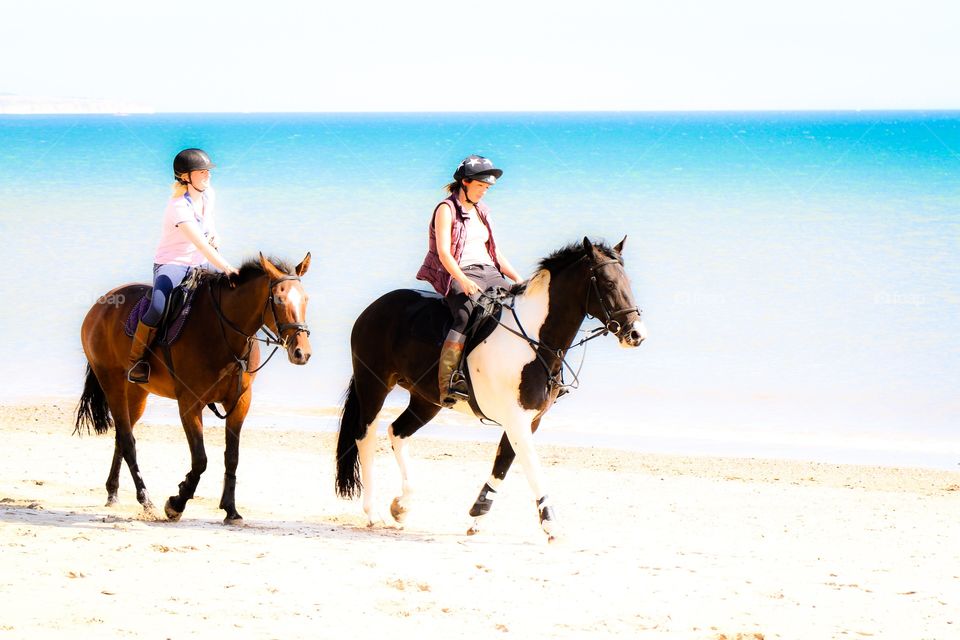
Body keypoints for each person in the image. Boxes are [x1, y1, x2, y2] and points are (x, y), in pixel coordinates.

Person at [416, 155, 523, 405]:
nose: (484, 192)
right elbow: (444, 252)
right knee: (466, 313)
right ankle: (449, 381)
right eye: (480, 187)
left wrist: (518, 279)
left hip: (489, 271)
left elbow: (495, 253)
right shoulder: (446, 209)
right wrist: (462, 279)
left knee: (515, 308)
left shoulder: (482, 211)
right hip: (457, 270)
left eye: (487, 188)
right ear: (464, 182)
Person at [126, 148, 238, 384]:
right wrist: (228, 268)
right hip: (173, 263)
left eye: (208, 171)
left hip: (201, 262)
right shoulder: (178, 207)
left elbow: (209, 227)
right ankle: (138, 360)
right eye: (201, 171)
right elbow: (200, 244)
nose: (208, 175)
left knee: (236, 292)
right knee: (157, 306)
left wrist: (216, 234)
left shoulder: (209, 195)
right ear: (185, 176)